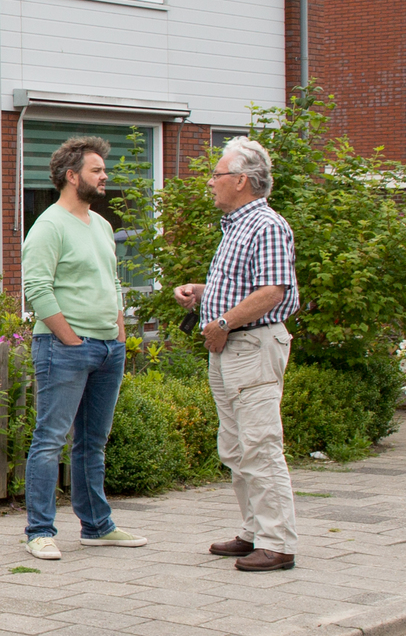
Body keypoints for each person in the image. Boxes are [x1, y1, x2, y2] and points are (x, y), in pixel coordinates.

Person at [172, 134, 299, 571]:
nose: (211, 181)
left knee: (260, 445)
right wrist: (204, 293)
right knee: (236, 446)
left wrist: (224, 321)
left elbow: (273, 290)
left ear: (241, 180)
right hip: (230, 348)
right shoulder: (237, 226)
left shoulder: (266, 225)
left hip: (250, 346)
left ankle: (278, 542)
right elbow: (247, 285)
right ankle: (254, 531)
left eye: (218, 173)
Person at [19, 137, 147, 560]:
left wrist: (120, 332)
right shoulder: (49, 225)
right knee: (49, 440)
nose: (104, 176)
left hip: (109, 348)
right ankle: (39, 531)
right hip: (65, 349)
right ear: (72, 177)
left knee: (92, 442)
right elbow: (36, 288)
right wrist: (69, 339)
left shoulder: (103, 225)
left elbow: (111, 282)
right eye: (96, 170)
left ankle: (97, 526)